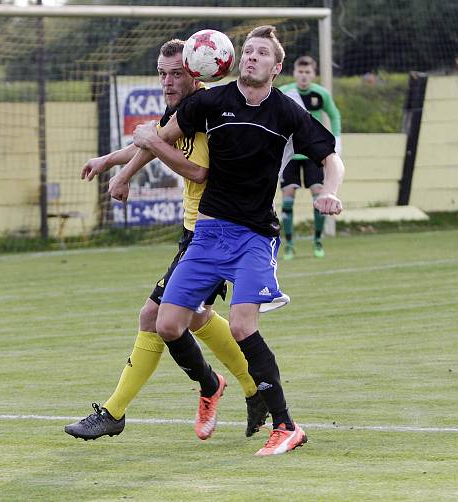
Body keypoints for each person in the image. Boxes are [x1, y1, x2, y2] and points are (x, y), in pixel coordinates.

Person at [118, 25, 344, 456]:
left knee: (242, 325)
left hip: (254, 236)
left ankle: (286, 425)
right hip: (206, 234)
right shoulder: (211, 101)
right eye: (248, 51)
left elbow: (331, 159)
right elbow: (157, 140)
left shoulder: (287, 112)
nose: (252, 57)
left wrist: (330, 191)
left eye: (261, 53)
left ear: (276, 68)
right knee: (166, 323)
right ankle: (216, 386)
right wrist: (123, 170)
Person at [64, 39, 270, 442]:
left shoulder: (209, 113)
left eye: (176, 74)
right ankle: (250, 387)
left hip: (215, 234)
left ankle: (117, 410)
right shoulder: (182, 111)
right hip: (196, 232)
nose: (167, 81)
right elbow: (154, 142)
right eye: (162, 73)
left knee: (154, 318)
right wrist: (111, 162)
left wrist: (125, 172)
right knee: (193, 318)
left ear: (198, 71)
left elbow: (197, 172)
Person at [278, 55, 342, 259]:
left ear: (313, 74)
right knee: (287, 199)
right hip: (290, 154)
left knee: (319, 195)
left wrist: (337, 139)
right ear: (294, 73)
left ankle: (318, 240)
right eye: (300, 72)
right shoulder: (287, 92)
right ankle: (289, 244)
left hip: (313, 155)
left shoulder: (320, 94)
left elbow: (334, 114)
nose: (304, 76)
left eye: (308, 72)